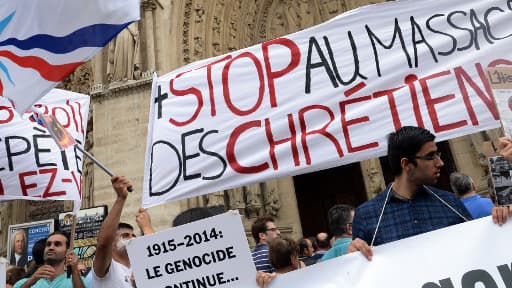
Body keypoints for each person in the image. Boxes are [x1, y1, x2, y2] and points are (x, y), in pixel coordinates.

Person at [348, 126, 511, 260]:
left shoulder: (450, 202)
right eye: (430, 156)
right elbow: (360, 273)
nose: (440, 163)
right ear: (406, 164)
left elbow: (481, 250)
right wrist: (352, 257)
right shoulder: (366, 215)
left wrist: (503, 217)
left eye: (438, 154)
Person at [92, 176, 154, 288]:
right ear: (112, 242)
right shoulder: (108, 268)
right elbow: (103, 244)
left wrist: (147, 228)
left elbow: (158, 254)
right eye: (125, 235)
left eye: (133, 235)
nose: (131, 238)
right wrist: (121, 198)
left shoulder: (141, 267)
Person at [13, 232, 87, 288]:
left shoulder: (79, 281)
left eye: (57, 244)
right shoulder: (22, 283)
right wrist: (32, 280)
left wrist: (74, 270)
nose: (51, 247)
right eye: (48, 244)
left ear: (67, 252)